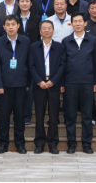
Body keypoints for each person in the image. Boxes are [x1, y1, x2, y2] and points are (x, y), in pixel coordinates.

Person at [0, 16, 31, 154]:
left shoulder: (25, 41)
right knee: (4, 116)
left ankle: (20, 144)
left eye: (13, 24)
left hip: (21, 84)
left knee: (19, 116)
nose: (10, 27)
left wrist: (28, 83)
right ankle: (3, 144)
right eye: (7, 24)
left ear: (18, 26)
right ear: (4, 27)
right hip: (5, 85)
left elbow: (29, 63)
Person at [28, 20, 66, 154]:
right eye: (44, 28)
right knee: (39, 115)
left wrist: (54, 81)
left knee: (53, 115)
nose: (46, 30)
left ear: (53, 31)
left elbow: (62, 65)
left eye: (49, 28)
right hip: (39, 85)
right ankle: (39, 143)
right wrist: (39, 81)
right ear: (40, 31)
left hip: (54, 84)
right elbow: (31, 65)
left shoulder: (59, 47)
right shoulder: (34, 47)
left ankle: (53, 143)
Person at [62, 12, 96, 154]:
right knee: (70, 115)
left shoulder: (93, 40)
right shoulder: (66, 41)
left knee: (87, 115)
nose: (77, 24)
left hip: (87, 82)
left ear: (85, 23)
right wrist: (62, 83)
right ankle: (71, 144)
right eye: (75, 21)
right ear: (71, 24)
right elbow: (63, 63)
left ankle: (87, 144)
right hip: (70, 82)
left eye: (80, 21)